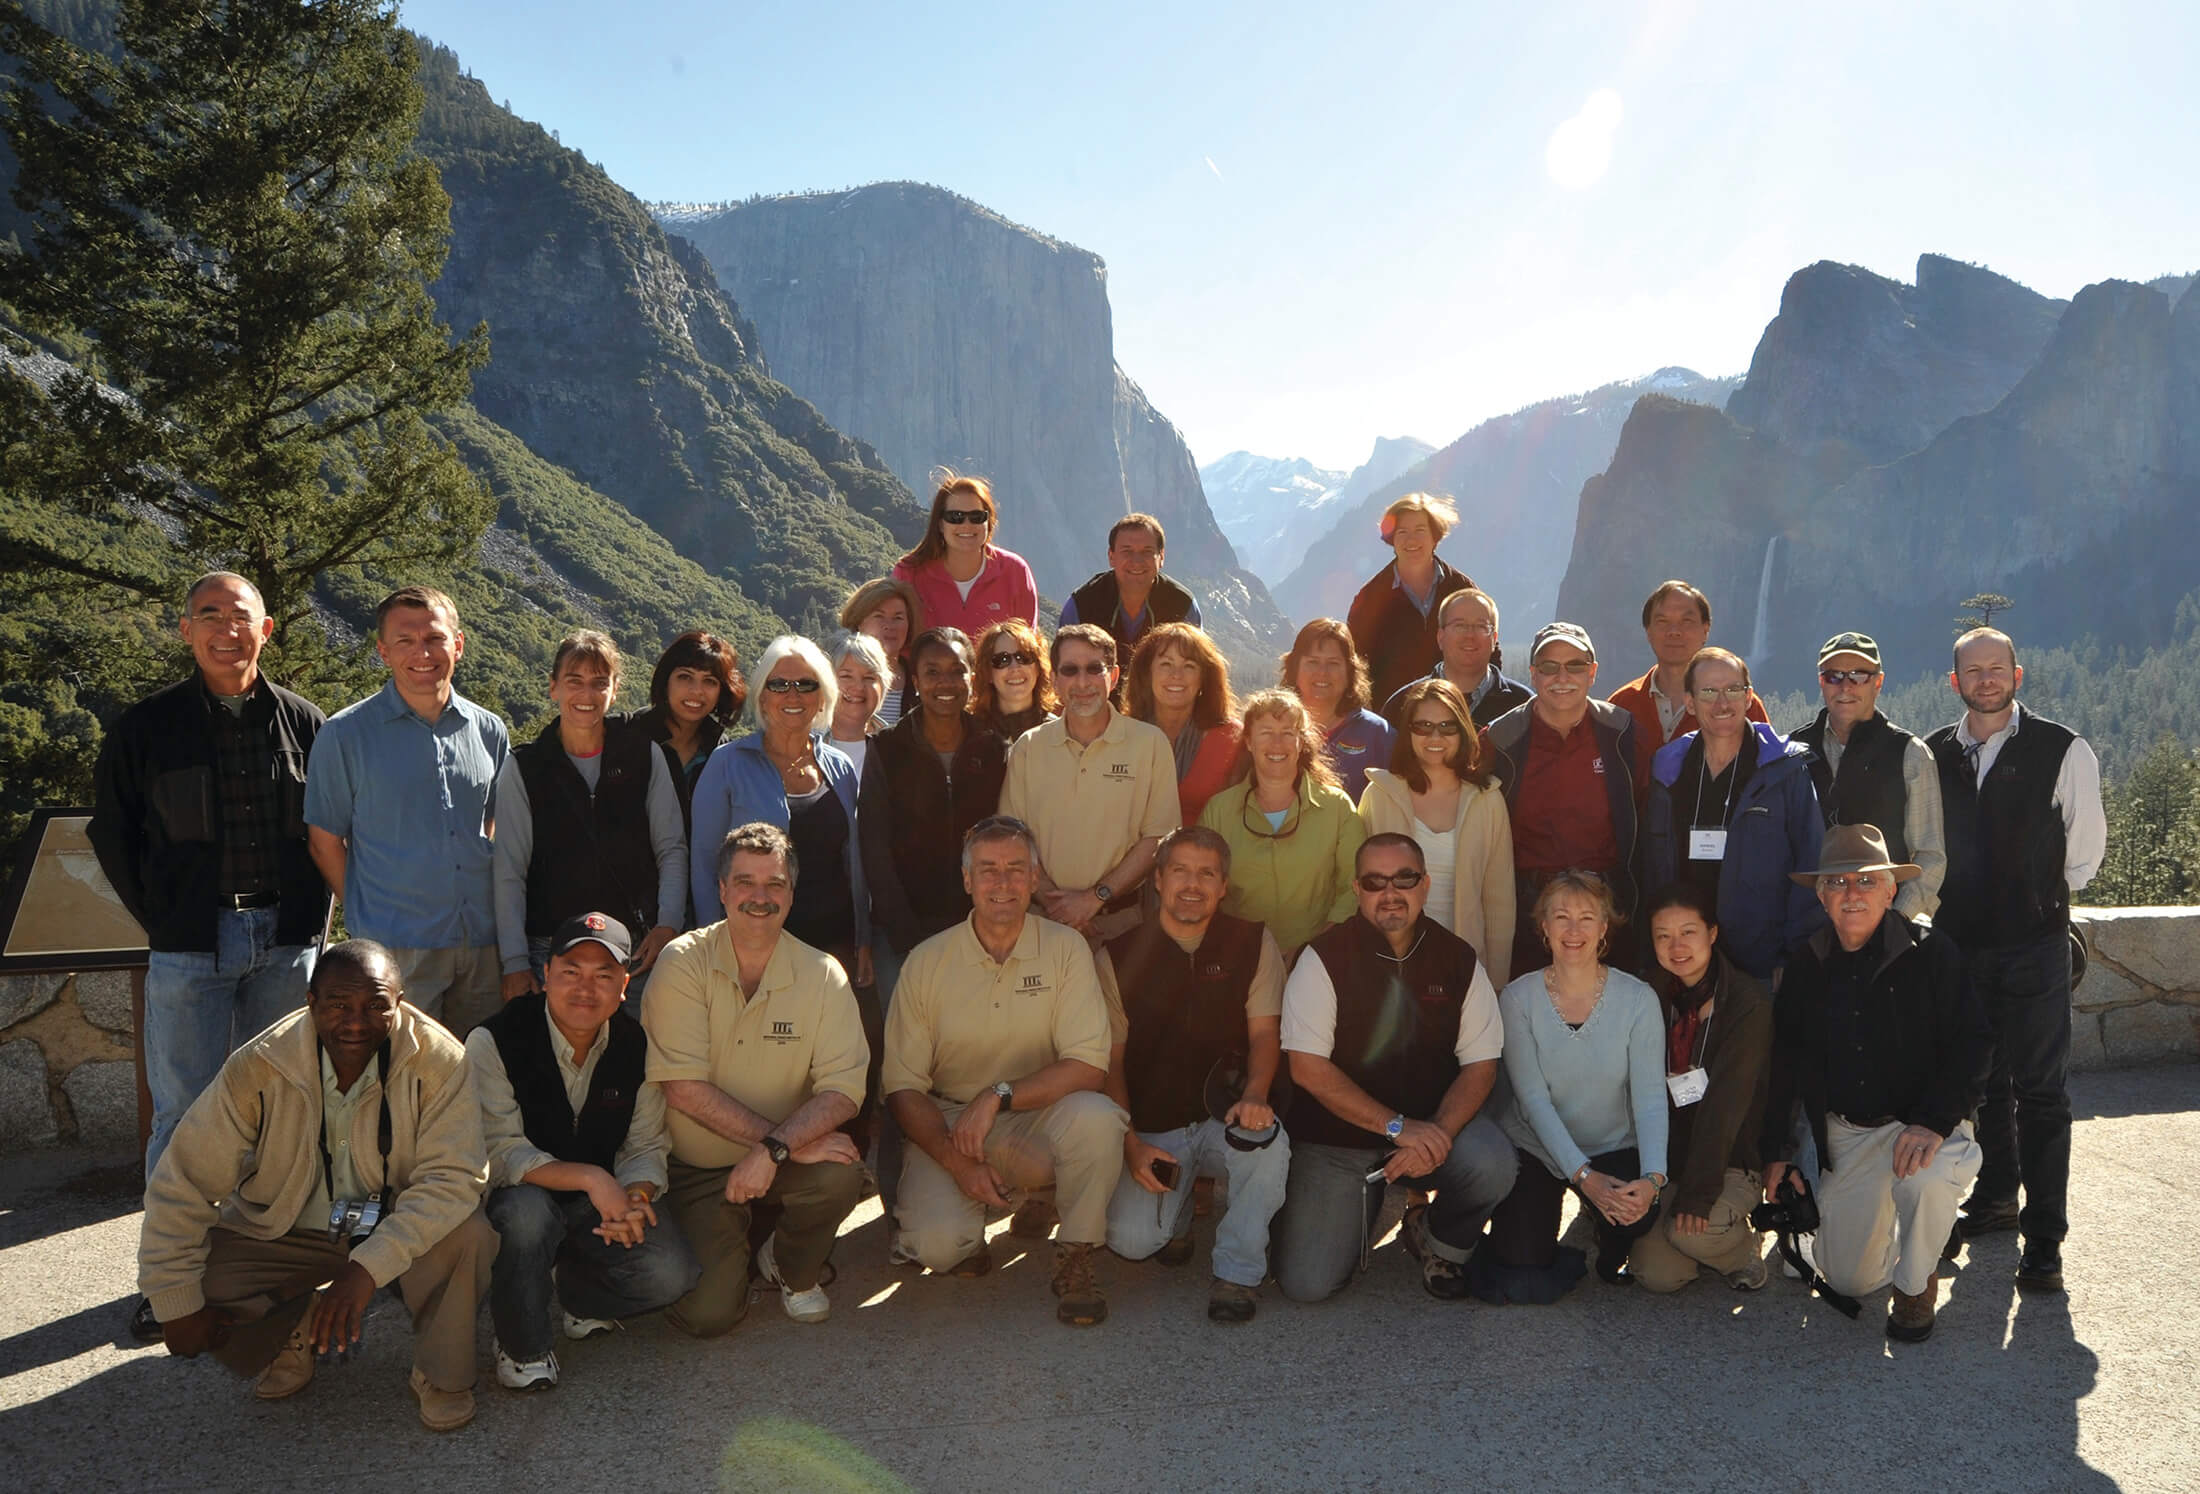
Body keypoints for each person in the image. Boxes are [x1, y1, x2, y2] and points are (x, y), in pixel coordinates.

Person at [88, 572, 329, 1341]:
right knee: (185, 1115)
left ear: (268, 630)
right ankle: (169, 1284)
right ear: (186, 631)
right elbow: (112, 835)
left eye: (242, 617)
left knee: (283, 1110)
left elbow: (329, 829)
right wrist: (162, 919)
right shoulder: (146, 728)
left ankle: (263, 1266)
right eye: (209, 616)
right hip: (191, 944)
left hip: (287, 941)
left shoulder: (304, 722)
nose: (227, 629)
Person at [136, 940, 493, 1431]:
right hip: (295, 1224)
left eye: (375, 1006)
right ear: (310, 1002)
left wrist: (365, 1270)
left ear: (400, 1002)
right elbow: (183, 1181)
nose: (355, 1021)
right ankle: (291, 1329)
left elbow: (453, 1179)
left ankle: (442, 1373)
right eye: (338, 1005)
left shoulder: (439, 1059)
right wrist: (173, 1304)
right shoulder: (260, 1064)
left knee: (467, 1233)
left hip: (389, 1217)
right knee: (198, 1278)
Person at [881, 817, 1129, 1326]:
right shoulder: (927, 961)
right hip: (948, 1123)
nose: (1002, 883)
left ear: (1035, 879)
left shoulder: (1066, 949)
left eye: (1016, 869)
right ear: (967, 880)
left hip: (1033, 1116)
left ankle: (1077, 1256)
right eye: (987, 870)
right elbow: (903, 1088)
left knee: (1098, 1117)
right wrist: (958, 1163)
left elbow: (1088, 1065)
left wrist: (998, 1095)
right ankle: (976, 1213)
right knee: (939, 1249)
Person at [1762, 825, 1992, 1342]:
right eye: (1838, 884)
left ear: (1891, 890)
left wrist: (1934, 1123)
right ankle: (1923, 1235)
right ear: (1821, 897)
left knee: (1926, 1180)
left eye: (1866, 882)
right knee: (1849, 1277)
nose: (1852, 895)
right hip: (1850, 1131)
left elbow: (1974, 1044)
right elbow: (1787, 1062)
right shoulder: (1807, 965)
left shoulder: (1933, 953)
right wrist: (1775, 1148)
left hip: (1923, 1122)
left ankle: (1915, 1285)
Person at [1928, 628, 2105, 1292]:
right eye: (1972, 670)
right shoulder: (1935, 752)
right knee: (1976, 1086)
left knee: (2041, 1095)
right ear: (1956, 682)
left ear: (2017, 674)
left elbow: (2083, 858)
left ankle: (2045, 1243)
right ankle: (1997, 1200)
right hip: (1959, 950)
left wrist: (2034, 897)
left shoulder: (2063, 749)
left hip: (2033, 948)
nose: (1985, 679)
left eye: (1995, 668)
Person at [1269, 833, 1516, 1303]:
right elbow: (1306, 1068)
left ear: (1424, 884)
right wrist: (1397, 1127)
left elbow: (1481, 1066)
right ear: (1357, 890)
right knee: (1306, 1284)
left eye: (1404, 879)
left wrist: (1436, 1133)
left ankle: (1436, 1237)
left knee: (1492, 1162)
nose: (1390, 893)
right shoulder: (1321, 958)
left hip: (1433, 1132)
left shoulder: (1459, 959)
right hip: (1338, 1143)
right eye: (1375, 881)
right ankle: (1366, 1205)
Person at [644, 824, 870, 1335]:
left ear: (792, 893)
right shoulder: (682, 963)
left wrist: (775, 1151)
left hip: (783, 1157)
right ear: (721, 890)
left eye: (775, 884)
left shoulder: (823, 973)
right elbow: (681, 1088)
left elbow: (843, 1090)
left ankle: (790, 1266)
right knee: (709, 1315)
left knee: (840, 1171)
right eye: (745, 882)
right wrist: (777, 1145)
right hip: (695, 1170)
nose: (760, 897)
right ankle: (721, 1253)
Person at [470, 913, 699, 1390]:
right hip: (519, 1195)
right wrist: (595, 1180)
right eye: (571, 971)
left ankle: (575, 1293)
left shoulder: (636, 1045)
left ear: (623, 986)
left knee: (670, 1273)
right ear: (546, 973)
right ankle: (522, 1347)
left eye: (603, 976)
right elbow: (503, 1151)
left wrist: (635, 1196)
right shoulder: (493, 1041)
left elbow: (646, 1144)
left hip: (597, 1205)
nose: (584, 989)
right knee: (527, 1218)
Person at [1099, 827, 1290, 1323]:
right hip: (1154, 1126)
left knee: (1268, 1144)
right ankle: (1177, 1211)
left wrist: (1255, 1095)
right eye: (1180, 870)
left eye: (1206, 874)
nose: (1192, 884)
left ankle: (1237, 1272)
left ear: (1223, 886)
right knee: (1132, 1242)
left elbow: (1266, 1036)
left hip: (1224, 1113)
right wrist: (1130, 1144)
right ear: (1158, 880)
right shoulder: (1117, 956)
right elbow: (1111, 1062)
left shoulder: (1252, 941)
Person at [858, 627, 1009, 1241]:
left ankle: (982, 1187)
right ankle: (899, 1202)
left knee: (979, 1057)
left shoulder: (995, 748)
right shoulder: (885, 751)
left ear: (975, 677)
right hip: (908, 936)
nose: (946, 683)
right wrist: (908, 933)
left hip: (982, 935)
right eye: (932, 671)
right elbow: (875, 851)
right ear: (911, 678)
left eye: (957, 671)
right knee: (906, 1070)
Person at [305, 586, 509, 1033]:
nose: (422, 652)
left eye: (435, 638)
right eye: (405, 640)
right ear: (383, 651)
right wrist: (368, 916)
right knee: (403, 1079)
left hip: (481, 944)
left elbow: (489, 823)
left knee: (480, 1074)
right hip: (396, 950)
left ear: (457, 644)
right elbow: (324, 843)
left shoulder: (489, 729)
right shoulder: (345, 735)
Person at [1477, 872, 1668, 1301]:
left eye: (1587, 918)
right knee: (1521, 1259)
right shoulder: (1517, 999)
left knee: (1636, 1217)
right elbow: (1532, 1101)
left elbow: (1651, 1098)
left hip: (1613, 1142)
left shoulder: (1638, 999)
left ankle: (1606, 1232)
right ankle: (1574, 1206)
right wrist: (1584, 1177)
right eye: (1561, 917)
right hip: (1539, 1147)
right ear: (1543, 927)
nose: (1574, 930)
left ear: (1605, 928)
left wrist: (1654, 1178)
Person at [492, 632, 685, 1004]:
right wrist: (514, 962)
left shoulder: (644, 757)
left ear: (614, 690)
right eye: (574, 682)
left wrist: (668, 925)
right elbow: (509, 870)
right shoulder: (525, 767)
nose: (586, 695)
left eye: (599, 683)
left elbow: (671, 848)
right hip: (548, 950)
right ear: (553, 688)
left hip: (634, 947)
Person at [688, 637, 871, 987]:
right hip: (753, 946)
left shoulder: (841, 767)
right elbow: (704, 863)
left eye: (805, 684)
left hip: (833, 945)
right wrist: (715, 947)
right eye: (779, 684)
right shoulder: (726, 764)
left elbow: (854, 862)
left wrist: (863, 938)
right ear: (762, 696)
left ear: (823, 698)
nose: (793, 695)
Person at [1642, 646, 1825, 981]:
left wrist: (1793, 957)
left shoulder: (1785, 770)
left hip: (1761, 962)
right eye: (1709, 691)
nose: (1722, 703)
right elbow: (1651, 865)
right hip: (1681, 960)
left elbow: (1810, 865)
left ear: (1749, 697)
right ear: (1690, 702)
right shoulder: (1667, 768)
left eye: (1732, 690)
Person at [1626, 884, 1774, 1294]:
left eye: (1688, 932)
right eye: (1663, 936)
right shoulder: (1648, 994)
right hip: (1669, 1158)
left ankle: (1741, 1246)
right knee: (1656, 1273)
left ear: (1712, 933)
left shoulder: (1746, 1001)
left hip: (1728, 1159)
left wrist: (1698, 1194)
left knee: (1690, 1232)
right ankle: (1697, 1241)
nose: (1677, 947)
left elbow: (1726, 1106)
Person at [999, 624, 1181, 941]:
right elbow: (1013, 839)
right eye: (1069, 670)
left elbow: (1158, 837)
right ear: (1054, 680)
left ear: (1113, 676)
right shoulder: (1028, 747)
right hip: (1042, 922)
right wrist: (1059, 906)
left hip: (1120, 925)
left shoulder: (1150, 744)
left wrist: (1093, 899)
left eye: (1094, 669)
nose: (1082, 682)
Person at [1483, 623, 1642, 977]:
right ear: (1533, 674)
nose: (1562, 677)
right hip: (1527, 907)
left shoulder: (1622, 733)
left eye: (1575, 665)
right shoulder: (1501, 739)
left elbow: (1646, 815)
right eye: (1549, 667)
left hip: (1606, 904)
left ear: (1593, 672)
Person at [1356, 678, 1516, 983]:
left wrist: (1495, 984)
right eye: (1423, 726)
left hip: (1464, 968)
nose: (1435, 737)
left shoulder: (1487, 800)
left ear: (1463, 731)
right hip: (1388, 968)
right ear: (1408, 731)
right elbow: (1359, 890)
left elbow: (1499, 902)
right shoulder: (1379, 795)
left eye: (1447, 727)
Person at [1197, 689, 1366, 960]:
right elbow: (1203, 887)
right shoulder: (1219, 811)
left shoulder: (1337, 808)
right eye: (1266, 732)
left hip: (1320, 960)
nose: (1277, 743)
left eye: (1288, 732)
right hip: (1237, 961)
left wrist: (1311, 952)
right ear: (1249, 742)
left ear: (1302, 742)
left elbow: (1355, 886)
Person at [1791, 631, 1947, 919]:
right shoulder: (1792, 751)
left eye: (1858, 676)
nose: (1845, 687)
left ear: (1878, 682)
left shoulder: (1910, 753)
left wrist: (1898, 920)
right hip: (1807, 927)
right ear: (1821, 682)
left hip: (1885, 926)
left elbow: (1930, 854)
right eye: (1834, 676)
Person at [1606, 580, 1768, 792]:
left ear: (1705, 630)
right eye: (1662, 622)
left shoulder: (1739, 706)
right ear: (1648, 631)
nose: (1674, 631)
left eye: (1687, 621)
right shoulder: (1622, 705)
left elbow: (1768, 779)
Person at [1346, 492, 1479, 709]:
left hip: (1456, 716)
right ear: (1392, 540)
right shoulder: (1370, 598)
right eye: (1402, 532)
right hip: (1392, 720)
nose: (1411, 540)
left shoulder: (1461, 589)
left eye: (1420, 530)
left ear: (1435, 536)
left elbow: (1487, 649)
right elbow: (1354, 665)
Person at [890, 472, 1039, 638]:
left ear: (989, 522)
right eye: (955, 517)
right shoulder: (909, 574)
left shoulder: (1014, 571)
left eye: (976, 517)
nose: (966, 525)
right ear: (940, 524)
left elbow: (1027, 644)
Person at [1060, 514, 1203, 685]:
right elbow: (1064, 672)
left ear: (1161, 557)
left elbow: (1197, 669)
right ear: (1111, 556)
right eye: (1127, 551)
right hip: (1097, 705)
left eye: (1147, 552)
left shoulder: (1182, 604)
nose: (1137, 561)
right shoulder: (1082, 603)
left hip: (1163, 706)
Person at [1125, 621, 1241, 824]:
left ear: (1204, 677)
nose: (1176, 675)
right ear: (1147, 673)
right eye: (1165, 664)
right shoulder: (1123, 735)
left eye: (1189, 666)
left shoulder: (1232, 739)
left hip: (1205, 850)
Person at [1380, 587, 1530, 729]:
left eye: (1480, 626)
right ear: (1440, 637)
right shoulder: (1402, 705)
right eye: (1459, 625)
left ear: (1494, 639)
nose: (1469, 635)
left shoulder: (1524, 706)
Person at [1280, 617, 1393, 803]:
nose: (1322, 672)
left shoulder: (1378, 733)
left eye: (1333, 663)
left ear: (1350, 671)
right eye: (1313, 662)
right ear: (1294, 667)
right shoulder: (1272, 728)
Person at [634, 629, 746, 803]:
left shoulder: (723, 755)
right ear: (666, 681)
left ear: (721, 692)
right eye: (685, 677)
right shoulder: (627, 736)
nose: (696, 691)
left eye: (709, 681)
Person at [839, 577, 924, 726]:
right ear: (859, 622)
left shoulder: (921, 678)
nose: (889, 626)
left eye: (898, 617)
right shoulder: (834, 672)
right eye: (879, 616)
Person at [971, 617, 1056, 741]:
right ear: (987, 673)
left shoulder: (1058, 734)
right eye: (1002, 660)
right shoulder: (969, 734)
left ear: (1038, 667)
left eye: (1024, 657)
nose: (1015, 667)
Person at [825, 632, 893, 780]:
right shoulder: (802, 746)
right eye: (846, 676)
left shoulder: (898, 746)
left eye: (869, 678)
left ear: (884, 686)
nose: (858, 687)